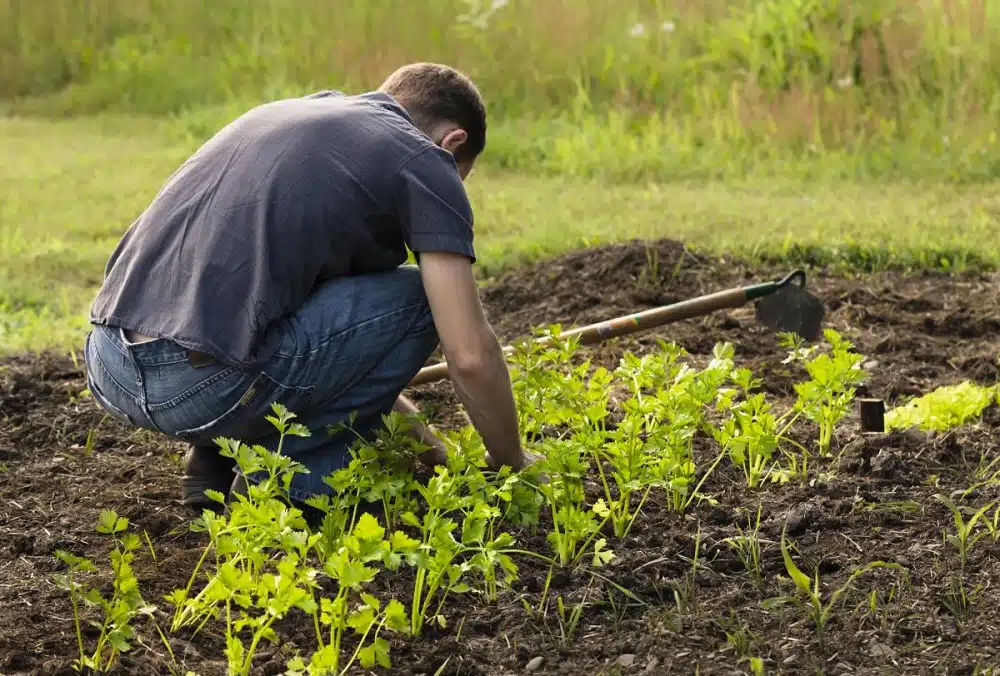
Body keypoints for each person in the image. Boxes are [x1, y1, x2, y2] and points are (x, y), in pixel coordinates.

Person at [83, 62, 537, 513]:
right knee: (425, 301)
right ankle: (292, 491)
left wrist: (433, 449)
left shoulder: (297, 116)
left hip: (109, 363)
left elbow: (340, 358)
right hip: (196, 386)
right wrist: (511, 461)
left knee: (270, 311)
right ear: (453, 140)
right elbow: (470, 355)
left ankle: (213, 463)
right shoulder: (423, 157)